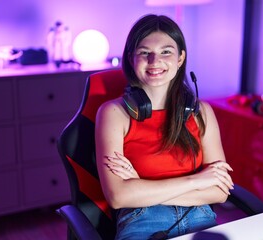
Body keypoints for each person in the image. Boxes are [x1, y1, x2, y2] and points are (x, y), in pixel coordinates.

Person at [95, 14, 234, 240]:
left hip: (199, 217)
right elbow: (118, 197)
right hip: (142, 220)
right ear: (131, 58)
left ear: (180, 58)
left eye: (166, 52)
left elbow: (220, 192)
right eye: (144, 52)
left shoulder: (202, 113)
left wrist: (140, 187)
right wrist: (197, 181)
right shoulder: (113, 114)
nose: (154, 61)